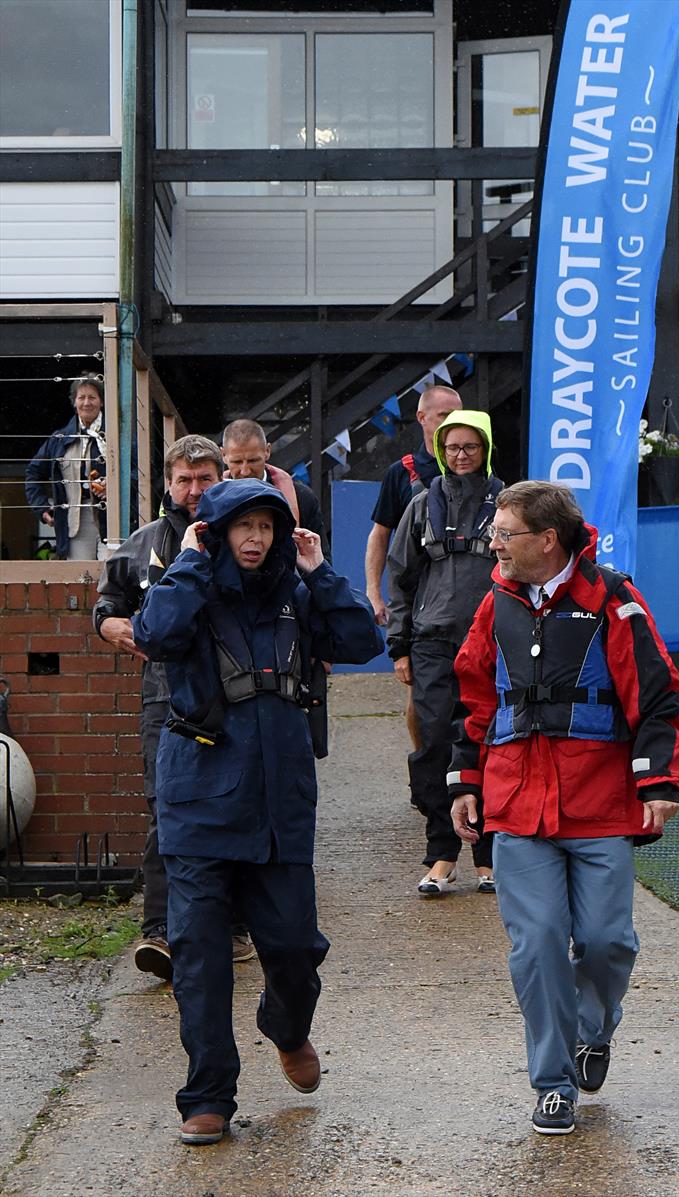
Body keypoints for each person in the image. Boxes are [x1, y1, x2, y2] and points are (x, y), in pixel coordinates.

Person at [131, 479, 383, 1145]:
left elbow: (361, 639)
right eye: (240, 526)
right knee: (201, 958)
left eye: (266, 527)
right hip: (198, 802)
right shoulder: (190, 588)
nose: (255, 538)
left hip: (279, 804)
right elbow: (152, 632)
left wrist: (320, 569)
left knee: (296, 949)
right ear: (215, 531)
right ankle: (208, 1094)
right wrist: (189, 557)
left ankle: (288, 1026)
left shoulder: (297, 594)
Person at [448, 481, 679, 1136]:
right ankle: (552, 1082)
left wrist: (658, 781)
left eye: (504, 533)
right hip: (516, 807)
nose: (492, 543)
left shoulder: (613, 600)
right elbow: (473, 697)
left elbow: (658, 693)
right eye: (493, 532)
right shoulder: (492, 606)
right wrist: (463, 780)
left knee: (608, 941)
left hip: (600, 804)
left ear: (547, 540)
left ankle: (594, 1028)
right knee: (538, 945)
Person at [93, 435, 255, 979]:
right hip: (165, 698)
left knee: (233, 804)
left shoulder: (242, 534)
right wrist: (109, 623)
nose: (192, 489)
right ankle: (159, 933)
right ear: (167, 483)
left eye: (203, 478)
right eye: (183, 479)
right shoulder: (143, 544)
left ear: (221, 479)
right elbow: (108, 601)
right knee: (166, 810)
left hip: (235, 695)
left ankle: (233, 927)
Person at [386, 411, 502, 896]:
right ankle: (441, 853)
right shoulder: (420, 505)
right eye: (451, 447)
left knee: (487, 741)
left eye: (470, 447)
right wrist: (400, 645)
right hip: (431, 642)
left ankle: (488, 856)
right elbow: (399, 576)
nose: (460, 456)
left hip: (493, 642)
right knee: (433, 741)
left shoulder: (508, 503)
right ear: (439, 450)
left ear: (485, 450)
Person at [365, 384, 462, 748]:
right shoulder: (402, 472)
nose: (453, 425)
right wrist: (374, 593)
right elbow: (380, 536)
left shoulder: (479, 465)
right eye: (443, 417)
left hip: (467, 601)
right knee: (421, 698)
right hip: (422, 604)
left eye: (458, 416)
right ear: (422, 418)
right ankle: (425, 773)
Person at [25, 372, 108, 560]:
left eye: (92, 397)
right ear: (74, 402)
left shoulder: (118, 435)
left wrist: (117, 486)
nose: (87, 403)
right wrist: (41, 507)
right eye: (82, 397)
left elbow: (142, 471)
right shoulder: (59, 439)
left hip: (114, 519)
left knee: (113, 579)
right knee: (80, 580)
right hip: (75, 521)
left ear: (102, 402)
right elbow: (33, 472)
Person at [221, 418, 331, 560]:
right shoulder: (210, 498)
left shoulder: (301, 498)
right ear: (223, 455)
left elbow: (322, 562)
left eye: (253, 460)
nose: (245, 471)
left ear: (267, 451)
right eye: (236, 462)